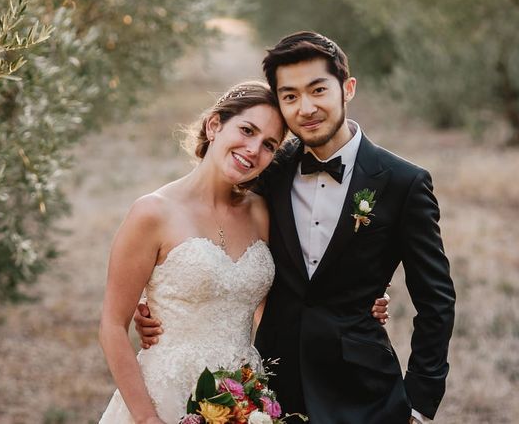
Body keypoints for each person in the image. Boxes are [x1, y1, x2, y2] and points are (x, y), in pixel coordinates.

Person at [136, 32, 456, 424]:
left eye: (318, 89)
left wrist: (420, 405)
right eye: (290, 96)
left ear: (347, 89)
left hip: (364, 394)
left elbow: (436, 300)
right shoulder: (270, 168)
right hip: (271, 390)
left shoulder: (403, 182)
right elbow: (208, 217)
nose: (306, 108)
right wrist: (167, 298)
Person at [99, 80, 389, 423]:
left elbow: (294, 297)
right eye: (246, 130)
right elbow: (112, 326)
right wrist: (148, 419)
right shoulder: (153, 213)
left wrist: (358, 301)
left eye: (268, 144)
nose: (253, 149)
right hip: (164, 394)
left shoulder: (263, 213)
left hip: (247, 397)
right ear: (214, 125)